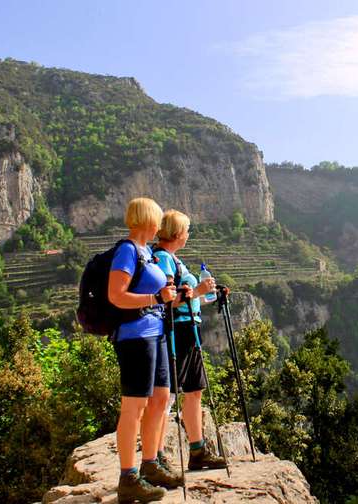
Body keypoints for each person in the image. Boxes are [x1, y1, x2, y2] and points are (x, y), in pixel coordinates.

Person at [108, 198, 182, 503]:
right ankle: (128, 478)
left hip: (156, 332)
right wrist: (155, 298)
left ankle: (150, 464)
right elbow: (116, 295)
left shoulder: (147, 253)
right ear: (148, 220)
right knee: (134, 406)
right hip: (135, 336)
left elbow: (156, 294)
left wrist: (171, 295)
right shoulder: (127, 251)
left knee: (160, 398)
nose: (160, 225)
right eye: (157, 219)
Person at [152, 210, 227, 470]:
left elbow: (188, 299)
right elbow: (167, 300)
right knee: (168, 396)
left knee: (194, 391)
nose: (188, 234)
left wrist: (209, 295)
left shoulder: (174, 259)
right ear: (176, 234)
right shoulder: (162, 259)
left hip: (190, 330)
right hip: (176, 332)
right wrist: (198, 290)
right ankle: (156, 456)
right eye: (186, 230)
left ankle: (198, 451)